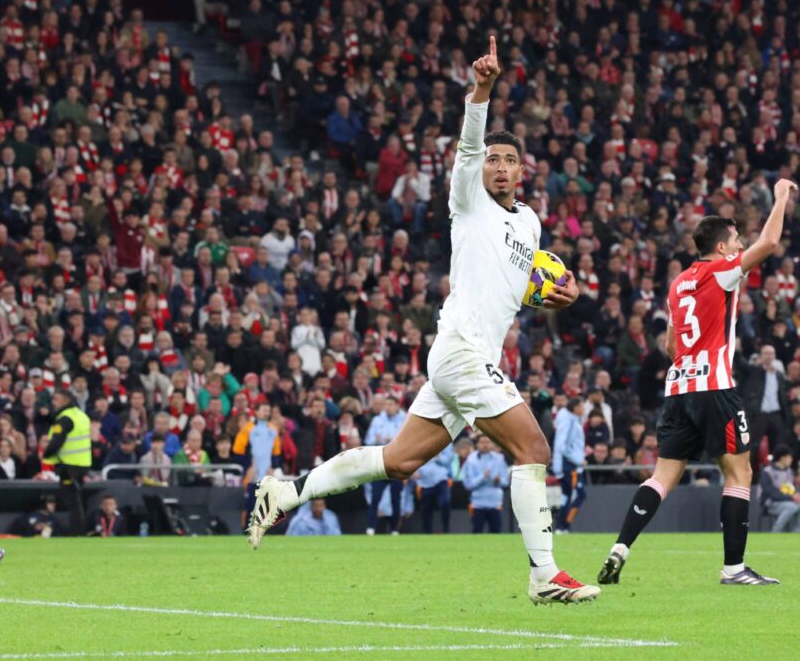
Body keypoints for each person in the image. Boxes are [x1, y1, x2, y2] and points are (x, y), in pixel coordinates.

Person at [247, 38, 599, 603]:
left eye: (510, 160)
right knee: (532, 450)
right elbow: (467, 145)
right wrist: (481, 92)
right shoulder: (468, 198)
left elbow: (513, 284)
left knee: (398, 461)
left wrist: (557, 294)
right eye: (493, 158)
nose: (500, 166)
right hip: (462, 351)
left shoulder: (529, 225)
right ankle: (544, 576)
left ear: (523, 171)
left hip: (465, 357)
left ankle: (285, 493)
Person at [598, 179, 797, 587]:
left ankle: (621, 547)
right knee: (739, 473)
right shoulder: (721, 272)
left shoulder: (678, 283)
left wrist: (688, 368)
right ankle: (734, 569)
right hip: (715, 387)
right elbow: (771, 243)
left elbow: (671, 342)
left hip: (678, 389)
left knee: (661, 477)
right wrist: (779, 198)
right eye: (736, 240)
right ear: (722, 247)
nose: (741, 246)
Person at [43, 389, 92, 535]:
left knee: (72, 502)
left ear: (65, 400)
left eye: (56, 399)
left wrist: (45, 454)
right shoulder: (81, 415)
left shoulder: (65, 418)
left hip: (68, 465)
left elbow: (57, 441)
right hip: (83, 463)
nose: (53, 402)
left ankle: (77, 532)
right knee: (78, 500)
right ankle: (81, 530)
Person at [364, 396, 406, 535]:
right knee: (375, 497)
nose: (387, 407)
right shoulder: (377, 420)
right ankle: (370, 528)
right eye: (386, 404)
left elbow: (407, 440)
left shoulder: (405, 419)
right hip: (380, 464)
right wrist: (377, 439)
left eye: (390, 404)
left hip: (396, 465)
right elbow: (368, 440)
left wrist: (393, 441)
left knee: (396, 498)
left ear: (397, 406)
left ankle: (395, 529)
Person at [552, 397, 587, 533]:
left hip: (566, 465)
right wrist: (578, 460)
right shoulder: (569, 422)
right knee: (579, 495)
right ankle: (564, 525)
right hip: (570, 465)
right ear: (575, 408)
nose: (584, 409)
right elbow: (563, 446)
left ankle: (560, 527)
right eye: (581, 406)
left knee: (566, 496)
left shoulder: (570, 420)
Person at [462, 434, 509, 534]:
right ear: (477, 444)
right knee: (477, 532)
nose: (485, 445)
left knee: (496, 533)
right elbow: (468, 485)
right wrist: (482, 477)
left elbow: (506, 482)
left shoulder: (499, 458)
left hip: (495, 503)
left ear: (492, 444)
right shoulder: (471, 459)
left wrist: (499, 480)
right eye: (482, 442)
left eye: (488, 442)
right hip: (478, 503)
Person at [759, 445, 800, 532]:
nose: (791, 460)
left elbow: (794, 487)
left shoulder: (789, 471)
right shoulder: (767, 472)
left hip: (788, 500)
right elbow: (770, 492)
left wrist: (797, 494)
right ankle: (776, 531)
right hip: (770, 503)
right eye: (790, 457)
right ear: (783, 458)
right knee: (792, 507)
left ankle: (797, 533)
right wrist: (791, 497)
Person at [415, 444, 454, 534]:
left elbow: (448, 460)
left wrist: (438, 455)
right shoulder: (419, 438)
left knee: (445, 502)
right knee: (426, 509)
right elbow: (414, 457)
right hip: (424, 480)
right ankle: (427, 533)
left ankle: (446, 530)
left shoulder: (446, 439)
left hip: (441, 478)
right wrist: (414, 472)